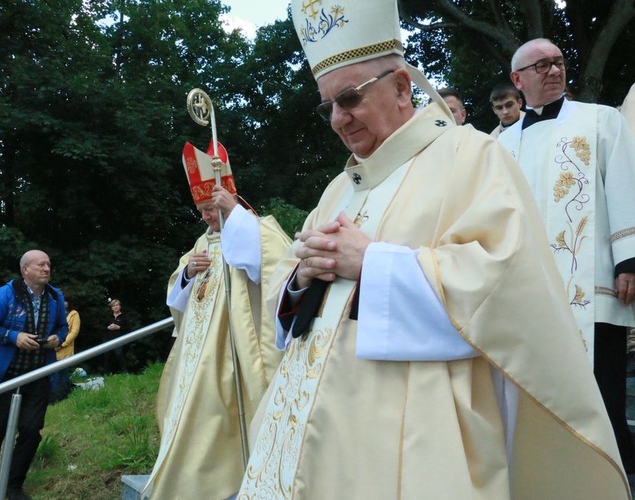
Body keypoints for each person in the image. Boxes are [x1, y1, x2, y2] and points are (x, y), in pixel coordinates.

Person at [237, 2, 628, 498]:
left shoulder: (471, 155)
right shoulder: (340, 187)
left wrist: (371, 262)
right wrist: (301, 279)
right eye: (327, 107)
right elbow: (290, 302)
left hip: (414, 431)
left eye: (350, 98)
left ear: (402, 87)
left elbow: (503, 279)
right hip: (312, 438)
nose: (339, 118)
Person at [498, 37, 635, 476]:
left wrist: (628, 260)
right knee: (539, 401)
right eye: (541, 65)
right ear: (518, 80)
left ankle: (616, 480)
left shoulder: (602, 120)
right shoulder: (499, 144)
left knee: (603, 401)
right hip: (527, 295)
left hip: (592, 287)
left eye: (557, 62)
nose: (554, 70)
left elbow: (624, 186)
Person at [143, 141, 291, 499]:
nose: (207, 217)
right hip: (197, 353)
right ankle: (193, 478)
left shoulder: (255, 228)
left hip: (235, 350)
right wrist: (187, 275)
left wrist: (236, 216)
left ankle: (236, 473)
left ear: (228, 200)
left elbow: (276, 266)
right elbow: (174, 294)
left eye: (212, 208)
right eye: (202, 211)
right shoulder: (201, 243)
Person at [0, 250, 68, 500]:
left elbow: (63, 327)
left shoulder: (55, 297)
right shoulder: (5, 294)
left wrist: (58, 338)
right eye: (41, 265)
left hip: (38, 376)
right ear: (25, 270)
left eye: (49, 264)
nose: (47, 268)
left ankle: (13, 485)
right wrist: (13, 337)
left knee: (30, 431)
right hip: (4, 377)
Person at [51, 298, 80, 401]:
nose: (64, 303)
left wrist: (62, 343)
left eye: (66, 301)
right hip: (53, 347)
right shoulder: (56, 313)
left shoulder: (74, 314)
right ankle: (56, 394)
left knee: (62, 372)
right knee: (55, 373)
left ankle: (61, 395)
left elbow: (74, 332)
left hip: (65, 347)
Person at [102, 299, 129, 373]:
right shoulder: (108, 316)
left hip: (119, 339)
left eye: (117, 305)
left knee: (119, 354)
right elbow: (101, 327)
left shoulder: (124, 317)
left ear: (120, 306)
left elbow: (128, 328)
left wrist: (119, 327)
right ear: (111, 308)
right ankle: (107, 374)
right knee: (107, 356)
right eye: (113, 306)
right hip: (108, 338)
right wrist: (108, 327)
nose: (115, 307)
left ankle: (124, 372)